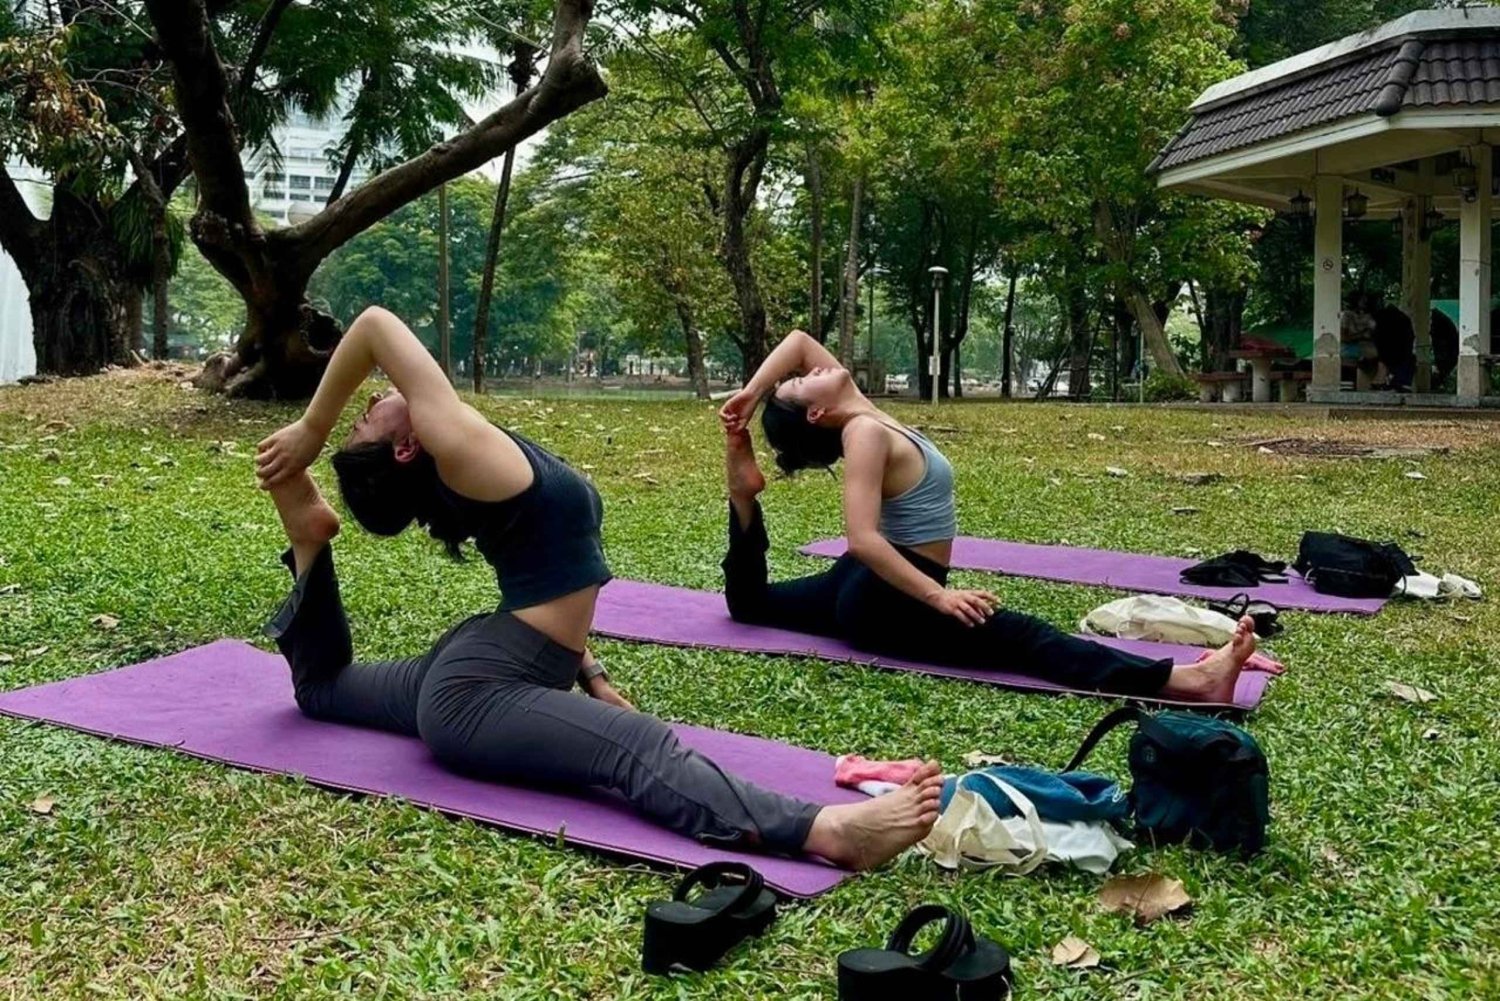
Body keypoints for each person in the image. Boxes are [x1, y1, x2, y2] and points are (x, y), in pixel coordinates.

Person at [253, 306, 943, 870]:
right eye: (369, 418)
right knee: (638, 748)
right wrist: (312, 431)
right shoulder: (456, 445)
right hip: (478, 686)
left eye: (359, 413)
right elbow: (373, 326)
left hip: (482, 659)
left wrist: (592, 671)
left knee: (324, 691)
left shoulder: (466, 461)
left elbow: (548, 573)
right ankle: (826, 831)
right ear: (408, 445)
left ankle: (308, 532)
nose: (372, 401)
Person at [717, 330, 1257, 704]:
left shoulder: (863, 412)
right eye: (801, 380)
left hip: (861, 587)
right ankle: (1188, 683)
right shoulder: (865, 432)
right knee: (1022, 638)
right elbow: (860, 537)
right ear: (817, 411)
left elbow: (796, 342)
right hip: (886, 599)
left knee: (751, 605)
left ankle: (743, 496)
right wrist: (938, 597)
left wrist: (754, 391)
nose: (810, 367)